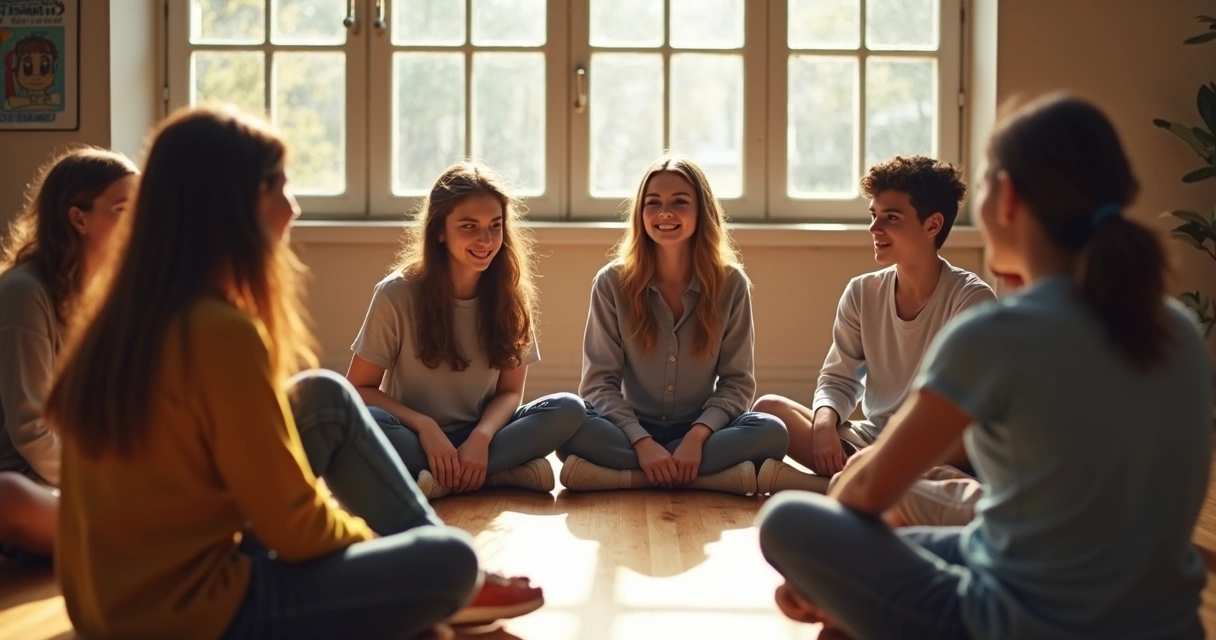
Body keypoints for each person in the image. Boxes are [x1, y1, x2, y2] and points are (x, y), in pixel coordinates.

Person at [44, 106, 543, 639]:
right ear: (232, 202)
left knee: (323, 396)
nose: (295, 207)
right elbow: (296, 528)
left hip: (105, 606)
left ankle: (443, 588)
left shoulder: (125, 310)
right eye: (280, 187)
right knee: (449, 558)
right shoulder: (219, 331)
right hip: (195, 615)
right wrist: (390, 560)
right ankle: (455, 585)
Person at [756, 94, 1211, 639]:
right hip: (1168, 624)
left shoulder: (994, 333)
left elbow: (866, 489)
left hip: (1018, 623)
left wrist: (827, 573)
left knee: (786, 521)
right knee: (911, 546)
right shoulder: (1178, 328)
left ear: (1009, 198)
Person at [347, 161, 585, 500]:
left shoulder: (511, 295)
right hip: (414, 435)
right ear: (440, 231)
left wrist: (482, 438)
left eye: (495, 226)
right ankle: (499, 473)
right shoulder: (396, 294)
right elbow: (359, 387)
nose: (485, 240)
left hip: (485, 435)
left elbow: (509, 393)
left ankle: (441, 479)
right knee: (367, 423)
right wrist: (426, 426)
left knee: (568, 408)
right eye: (469, 226)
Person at [559, 154, 791, 496]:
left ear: (702, 212)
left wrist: (697, 438)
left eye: (679, 202)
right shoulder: (611, 283)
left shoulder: (731, 284)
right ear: (640, 214)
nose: (665, 213)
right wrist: (641, 442)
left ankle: (631, 477)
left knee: (771, 432)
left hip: (700, 431)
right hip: (627, 429)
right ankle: (704, 478)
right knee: (570, 431)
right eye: (653, 203)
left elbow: (737, 383)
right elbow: (598, 384)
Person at [754, 155, 994, 484]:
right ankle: (872, 486)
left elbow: (970, 415)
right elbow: (839, 380)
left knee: (967, 442)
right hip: (873, 440)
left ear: (932, 225)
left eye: (891, 218)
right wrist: (824, 426)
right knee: (770, 409)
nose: (874, 228)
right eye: (874, 215)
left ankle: (823, 485)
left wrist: (893, 453)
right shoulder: (862, 292)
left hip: (936, 453)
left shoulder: (971, 300)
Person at [0, 146, 136, 559]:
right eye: (123, 209)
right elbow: (32, 430)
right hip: (32, 479)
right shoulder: (25, 293)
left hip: (84, 477)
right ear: (78, 218)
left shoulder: (109, 295)